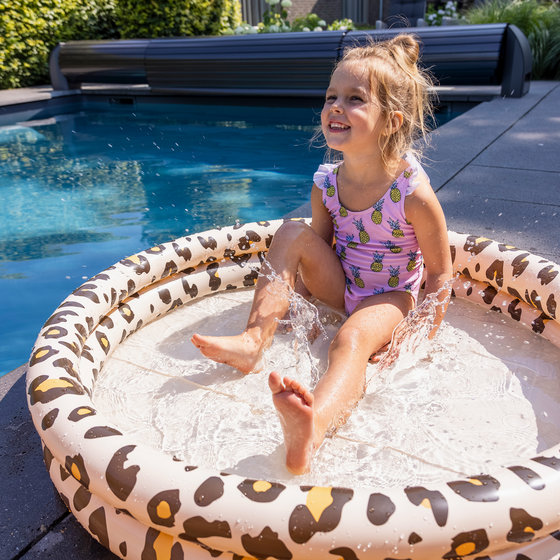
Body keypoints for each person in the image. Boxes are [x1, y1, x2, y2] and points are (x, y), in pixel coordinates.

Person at [191, 34, 453, 475]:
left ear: (391, 121)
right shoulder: (326, 183)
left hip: (388, 299)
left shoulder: (412, 194)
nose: (335, 106)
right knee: (293, 231)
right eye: (331, 96)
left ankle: (311, 431)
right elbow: (321, 249)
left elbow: (440, 275)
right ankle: (253, 341)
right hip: (343, 284)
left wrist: (416, 341)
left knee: (348, 341)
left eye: (354, 99)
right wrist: (297, 302)